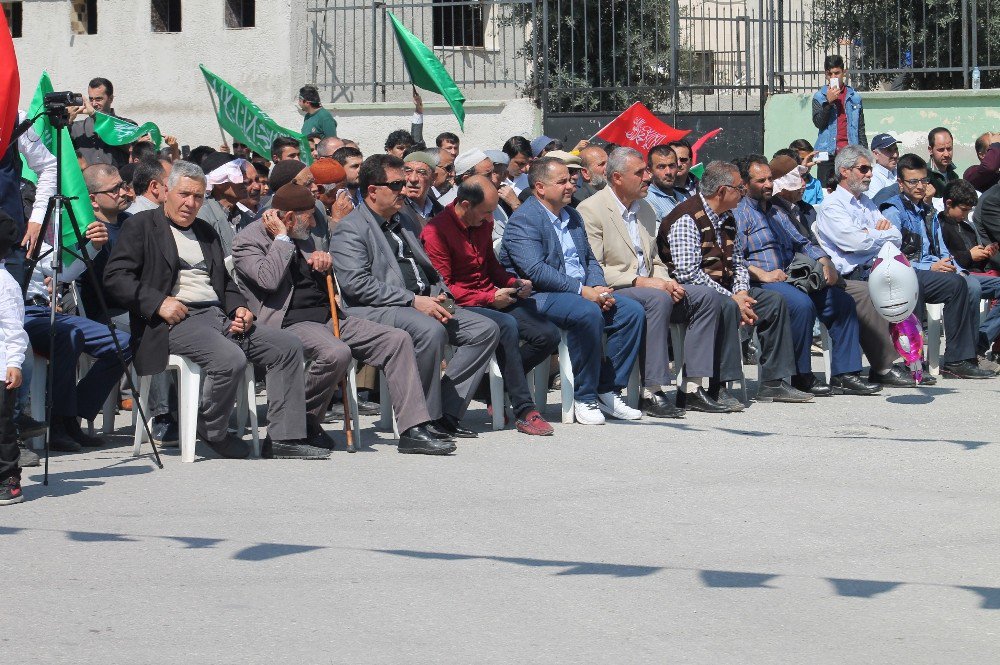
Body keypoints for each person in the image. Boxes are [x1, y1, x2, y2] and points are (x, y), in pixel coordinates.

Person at [105, 160, 326, 460]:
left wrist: (239, 309)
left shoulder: (205, 232)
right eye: (184, 194)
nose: (190, 202)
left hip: (217, 317)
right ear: (167, 191)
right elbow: (116, 278)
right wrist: (159, 303)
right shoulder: (141, 226)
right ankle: (210, 426)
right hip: (173, 321)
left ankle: (285, 438)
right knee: (230, 358)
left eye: (198, 196)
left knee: (286, 346)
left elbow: (225, 284)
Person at [233, 183, 452, 454]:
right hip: (289, 322)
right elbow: (268, 280)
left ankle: (412, 429)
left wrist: (324, 263)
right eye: (309, 216)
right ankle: (300, 419)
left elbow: (324, 276)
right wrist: (282, 240)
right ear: (288, 218)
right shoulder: (247, 241)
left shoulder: (304, 233)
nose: (314, 223)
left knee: (397, 340)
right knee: (336, 352)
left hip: (330, 316)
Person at [329, 154, 499, 439]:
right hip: (376, 309)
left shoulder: (403, 219)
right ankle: (420, 421)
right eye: (396, 184)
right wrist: (412, 300)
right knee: (429, 331)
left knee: (485, 329)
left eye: (405, 182)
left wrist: (439, 291)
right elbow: (356, 286)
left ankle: (445, 412)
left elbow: (426, 267)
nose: (405, 189)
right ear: (373, 190)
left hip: (422, 302)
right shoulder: (351, 228)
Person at [579, 148, 737, 416]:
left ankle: (692, 387)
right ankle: (651, 391)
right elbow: (594, 268)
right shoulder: (591, 209)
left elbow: (658, 260)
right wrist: (642, 281)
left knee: (706, 296)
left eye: (646, 171)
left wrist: (665, 281)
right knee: (658, 298)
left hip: (652, 286)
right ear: (617, 177)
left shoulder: (646, 209)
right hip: (616, 290)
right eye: (640, 172)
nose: (648, 178)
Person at [498, 157, 645, 425]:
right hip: (537, 297)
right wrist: (583, 291)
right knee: (586, 312)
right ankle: (585, 397)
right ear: (540, 187)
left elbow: (589, 258)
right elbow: (536, 271)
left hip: (580, 292)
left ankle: (607, 389)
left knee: (631, 311)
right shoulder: (524, 220)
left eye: (571, 179)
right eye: (562, 181)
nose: (571, 185)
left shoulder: (572, 215)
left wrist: (598, 286)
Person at [658, 161, 812, 403]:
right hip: (690, 295)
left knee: (773, 301)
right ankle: (718, 387)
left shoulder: (727, 217)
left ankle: (773, 381)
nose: (743, 193)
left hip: (727, 290)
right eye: (739, 188)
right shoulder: (687, 217)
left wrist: (741, 292)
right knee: (726, 306)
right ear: (722, 191)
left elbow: (738, 262)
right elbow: (688, 274)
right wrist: (733, 298)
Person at [421, 176, 558, 435]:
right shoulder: (436, 232)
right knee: (506, 326)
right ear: (464, 204)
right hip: (456, 305)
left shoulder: (483, 221)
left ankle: (488, 387)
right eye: (485, 212)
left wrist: (513, 281)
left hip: (488, 297)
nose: (489, 219)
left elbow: (490, 266)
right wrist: (489, 298)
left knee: (547, 334)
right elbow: (444, 288)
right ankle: (525, 409)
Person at [733, 155, 879, 396]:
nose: (769, 185)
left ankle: (845, 374)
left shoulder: (777, 212)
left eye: (770, 179)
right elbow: (733, 256)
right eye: (761, 181)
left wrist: (824, 261)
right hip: (759, 282)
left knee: (840, 302)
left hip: (791, 277)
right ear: (745, 185)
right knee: (800, 305)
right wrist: (763, 274)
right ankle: (801, 375)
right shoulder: (740, 213)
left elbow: (803, 242)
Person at [880, 154, 1000, 374]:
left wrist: (960, 270)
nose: (920, 186)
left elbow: (942, 250)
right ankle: (916, 361)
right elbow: (891, 256)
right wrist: (931, 268)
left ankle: (959, 360)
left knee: (963, 282)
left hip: (937, 271)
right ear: (901, 183)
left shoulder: (928, 212)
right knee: (962, 285)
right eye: (913, 181)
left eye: (924, 180)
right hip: (909, 272)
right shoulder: (894, 211)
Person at [24, 219, 131, 451]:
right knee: (68, 336)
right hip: (19, 311)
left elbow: (63, 274)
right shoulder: (11, 233)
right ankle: (59, 422)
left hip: (46, 308)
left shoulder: (39, 231)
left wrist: (93, 246)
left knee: (122, 344)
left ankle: (72, 414)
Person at [935, 180, 1000, 354]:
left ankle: (980, 340)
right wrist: (969, 256)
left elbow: (975, 261)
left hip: (975, 274)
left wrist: (985, 254)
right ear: (949, 204)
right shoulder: (940, 226)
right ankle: (972, 344)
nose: (966, 215)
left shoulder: (967, 227)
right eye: (964, 209)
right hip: (956, 276)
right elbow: (945, 259)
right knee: (973, 286)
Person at [0, 213, 27, 504]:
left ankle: (9, 478)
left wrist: (14, 362)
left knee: (1, 427)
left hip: (1, 368)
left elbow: (14, 328)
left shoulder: (5, 283)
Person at [811, 55, 867, 183]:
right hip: (827, 152)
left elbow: (860, 128)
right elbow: (818, 123)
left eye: (837, 73)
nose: (833, 77)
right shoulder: (819, 96)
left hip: (850, 152)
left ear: (844, 72)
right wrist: (828, 103)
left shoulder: (854, 97)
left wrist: (865, 153)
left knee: (851, 189)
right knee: (826, 190)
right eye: (830, 74)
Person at [198, 153, 257, 256]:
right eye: (238, 173)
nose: (245, 179)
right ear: (219, 181)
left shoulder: (247, 218)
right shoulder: (202, 217)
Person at [68, 77, 136, 167]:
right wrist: (67, 120)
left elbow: (133, 149)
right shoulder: (76, 127)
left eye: (98, 99)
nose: (94, 104)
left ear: (110, 99)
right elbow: (60, 147)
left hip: (117, 179)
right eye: (91, 99)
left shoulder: (127, 124)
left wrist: (95, 115)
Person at [645, 144, 689, 224]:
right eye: (661, 167)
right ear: (649, 170)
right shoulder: (648, 201)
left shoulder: (683, 197)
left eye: (672, 166)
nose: (668, 172)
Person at [400, 151, 441, 225]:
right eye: (408, 171)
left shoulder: (439, 211)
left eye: (421, 173)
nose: (413, 179)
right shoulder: (395, 208)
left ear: (433, 178)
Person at [789, 138, 825, 206]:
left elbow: (820, 206)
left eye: (809, 159)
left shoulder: (816, 184)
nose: (806, 163)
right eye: (802, 159)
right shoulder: (788, 182)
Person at [866, 133, 900, 198]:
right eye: (889, 150)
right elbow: (878, 205)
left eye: (896, 149)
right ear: (876, 154)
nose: (895, 155)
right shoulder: (873, 178)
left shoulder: (900, 171)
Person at [927, 127, 959, 194]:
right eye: (941, 150)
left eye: (949, 149)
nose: (946, 154)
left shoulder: (954, 176)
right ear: (930, 150)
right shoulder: (925, 175)